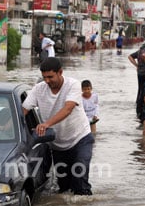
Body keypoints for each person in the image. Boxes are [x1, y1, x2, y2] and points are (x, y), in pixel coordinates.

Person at [22, 57, 95, 196]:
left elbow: (68, 109)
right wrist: (2, 126)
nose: (47, 81)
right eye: (44, 77)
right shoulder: (39, 89)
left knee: (80, 178)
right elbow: (23, 110)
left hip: (80, 139)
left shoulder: (73, 85)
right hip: (57, 145)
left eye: (50, 77)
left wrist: (46, 124)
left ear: (60, 72)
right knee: (64, 187)